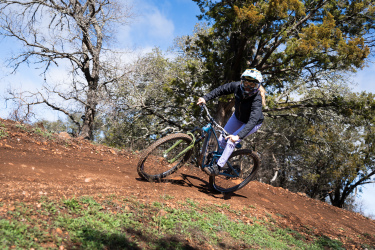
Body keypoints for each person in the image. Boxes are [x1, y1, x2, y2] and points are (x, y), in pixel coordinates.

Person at [197, 68, 266, 176]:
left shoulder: (257, 100)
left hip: (252, 123)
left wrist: (238, 136)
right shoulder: (237, 86)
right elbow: (220, 90)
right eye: (246, 83)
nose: (248, 87)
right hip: (237, 117)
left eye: (252, 85)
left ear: (257, 86)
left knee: (231, 141)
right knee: (222, 139)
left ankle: (218, 167)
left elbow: (253, 120)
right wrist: (205, 98)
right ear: (242, 81)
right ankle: (215, 162)